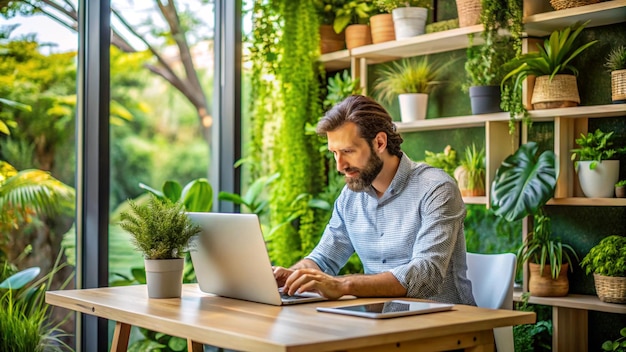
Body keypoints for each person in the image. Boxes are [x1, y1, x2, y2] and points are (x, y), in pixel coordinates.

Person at [273, 94, 476, 306]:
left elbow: (426, 274)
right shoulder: (350, 198)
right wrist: (292, 276)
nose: (339, 166)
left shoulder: (436, 188)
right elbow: (323, 259)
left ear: (379, 142)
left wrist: (343, 285)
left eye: (348, 151)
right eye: (334, 153)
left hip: (447, 324)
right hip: (378, 323)